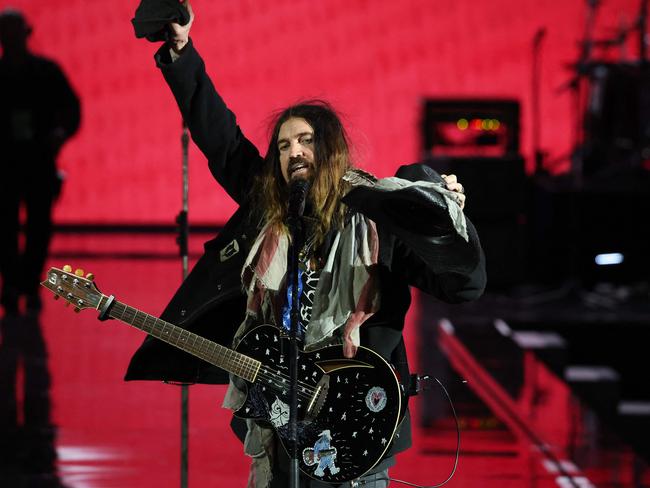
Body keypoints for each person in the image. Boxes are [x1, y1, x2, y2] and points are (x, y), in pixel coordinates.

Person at [125, 1, 486, 487]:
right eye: (282, 145)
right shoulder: (269, 210)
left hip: (356, 427)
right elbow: (222, 140)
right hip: (282, 427)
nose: (293, 151)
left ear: (331, 148)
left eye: (306, 140)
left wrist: (448, 226)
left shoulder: (379, 217)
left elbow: (461, 286)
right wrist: (182, 49)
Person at [0, 9, 81, 316]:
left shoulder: (46, 73)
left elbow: (71, 109)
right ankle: (12, 283)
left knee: (38, 228)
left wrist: (60, 133)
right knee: (5, 228)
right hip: (6, 166)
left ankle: (28, 283)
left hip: (38, 164)